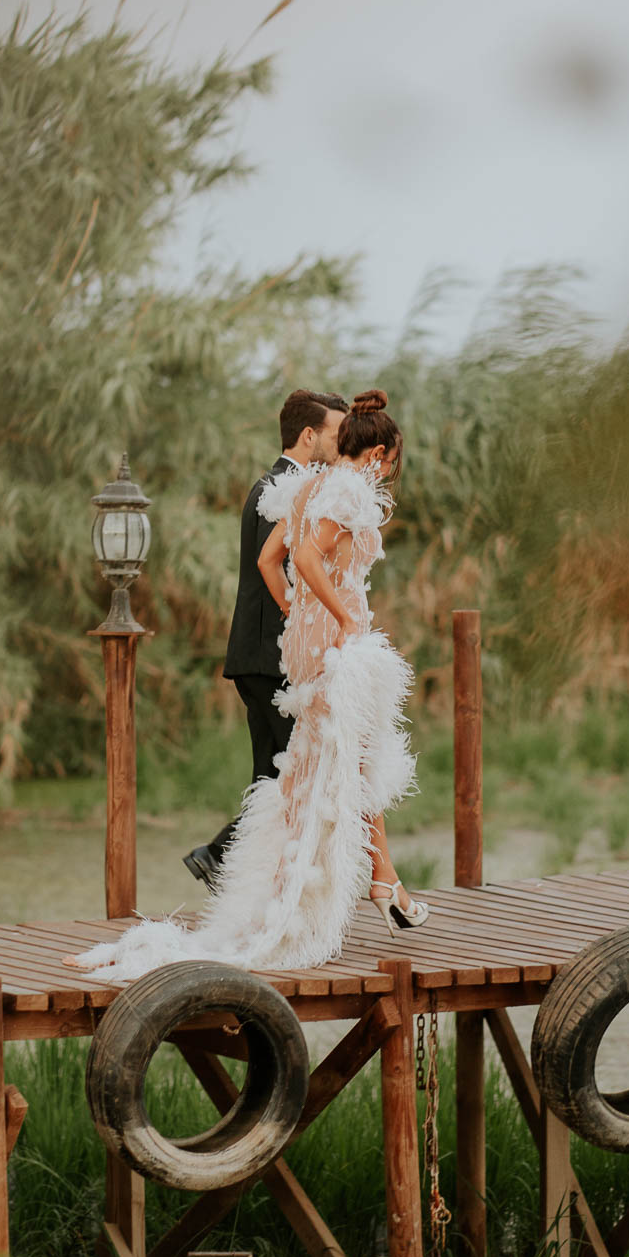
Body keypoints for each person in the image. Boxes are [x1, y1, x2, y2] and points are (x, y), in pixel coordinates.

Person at [67, 389, 426, 981]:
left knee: (320, 767)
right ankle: (362, 884)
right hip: (322, 651)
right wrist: (339, 617)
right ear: (381, 453)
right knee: (336, 766)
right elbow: (307, 559)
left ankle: (364, 882)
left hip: (299, 651)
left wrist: (300, 616)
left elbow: (272, 561)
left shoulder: (304, 488)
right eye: (390, 462)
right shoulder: (343, 491)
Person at [182, 388, 349, 890]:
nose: (342, 446)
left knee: (272, 776)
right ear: (309, 435)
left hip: (261, 656)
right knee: (290, 775)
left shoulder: (280, 485)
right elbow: (280, 571)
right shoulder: (281, 491)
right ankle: (218, 856)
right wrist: (305, 626)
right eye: (337, 435)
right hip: (269, 657)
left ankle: (240, 874)